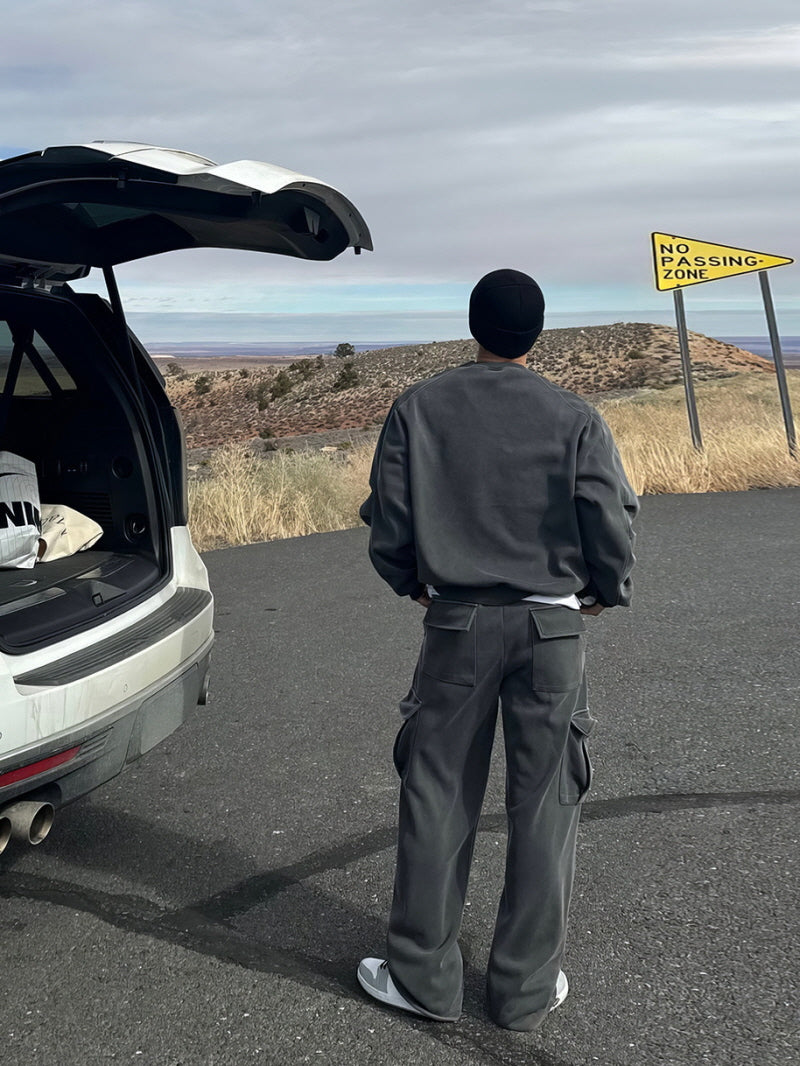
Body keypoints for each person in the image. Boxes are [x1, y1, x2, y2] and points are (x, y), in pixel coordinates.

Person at [356, 268, 638, 1032]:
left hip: (459, 625)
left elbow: (389, 518)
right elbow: (608, 516)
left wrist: (413, 581)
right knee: (547, 804)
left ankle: (423, 978)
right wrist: (605, 588)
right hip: (552, 630)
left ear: (475, 325)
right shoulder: (575, 417)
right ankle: (523, 989)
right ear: (536, 333)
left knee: (437, 793)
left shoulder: (419, 408)